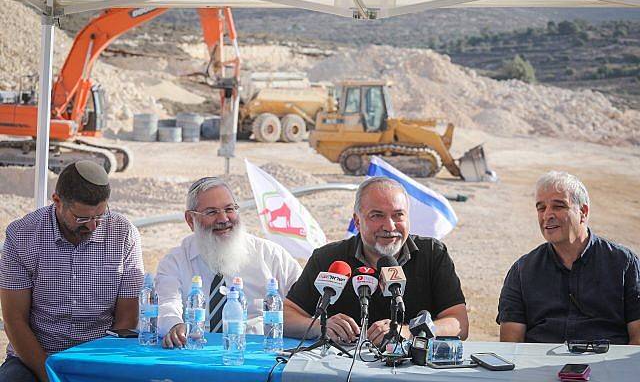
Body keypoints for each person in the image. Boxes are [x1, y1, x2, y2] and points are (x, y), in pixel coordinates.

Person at [0, 161, 144, 382]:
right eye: (82, 218)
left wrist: (93, 368)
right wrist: (49, 374)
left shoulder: (124, 234)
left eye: (100, 215)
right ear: (57, 201)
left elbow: (127, 318)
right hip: (34, 356)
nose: (93, 226)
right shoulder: (22, 235)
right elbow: (14, 320)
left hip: (100, 356)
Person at [284, 177, 468, 346]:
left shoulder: (433, 254)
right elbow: (285, 315)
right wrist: (319, 326)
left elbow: (458, 323)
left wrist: (408, 332)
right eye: (377, 215)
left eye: (398, 215)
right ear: (357, 221)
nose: (389, 226)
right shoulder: (327, 258)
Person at [157, 176, 302, 348]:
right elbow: (166, 303)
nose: (223, 219)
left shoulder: (271, 255)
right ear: (190, 220)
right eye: (211, 212)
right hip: (195, 351)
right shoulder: (175, 261)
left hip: (259, 356)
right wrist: (174, 325)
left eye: (229, 209)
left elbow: (302, 306)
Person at [497, 171, 640, 344]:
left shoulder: (624, 264)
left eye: (558, 206)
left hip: (607, 367)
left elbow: (638, 338)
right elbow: (511, 343)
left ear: (583, 212)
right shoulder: (522, 271)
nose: (547, 215)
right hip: (537, 368)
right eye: (541, 208)